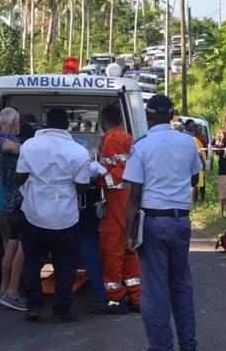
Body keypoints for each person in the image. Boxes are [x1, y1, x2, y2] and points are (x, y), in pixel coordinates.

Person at [123, 94, 202, 351]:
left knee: (155, 290)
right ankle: (188, 345)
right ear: (172, 115)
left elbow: (134, 195)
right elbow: (194, 177)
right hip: (181, 223)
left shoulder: (142, 145)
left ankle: (161, 347)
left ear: (148, 116)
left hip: (154, 223)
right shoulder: (188, 142)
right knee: (181, 284)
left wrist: (128, 235)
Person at [16, 108, 90, 323]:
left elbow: (20, 178)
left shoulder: (29, 145)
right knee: (65, 266)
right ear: (67, 125)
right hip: (65, 218)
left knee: (32, 263)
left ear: (45, 123)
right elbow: (83, 187)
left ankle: (34, 307)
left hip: (34, 214)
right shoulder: (78, 151)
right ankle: (61, 310)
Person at [90, 104, 140, 314]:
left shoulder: (112, 139)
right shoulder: (126, 137)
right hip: (125, 201)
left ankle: (115, 299)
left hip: (116, 202)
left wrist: (98, 178)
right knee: (128, 249)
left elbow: (119, 171)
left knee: (112, 250)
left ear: (103, 119)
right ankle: (136, 296)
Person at [0, 107, 27, 311]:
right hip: (20, 202)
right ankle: (13, 291)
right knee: (23, 248)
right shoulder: (4, 141)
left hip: (8, 201)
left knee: (12, 246)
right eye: (18, 122)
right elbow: (10, 148)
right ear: (13, 123)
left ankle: (4, 291)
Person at [186, 119, 207, 203]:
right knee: (192, 184)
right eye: (191, 127)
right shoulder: (188, 138)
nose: (194, 129)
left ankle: (197, 199)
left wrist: (202, 163)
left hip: (197, 163)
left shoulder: (201, 138)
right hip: (189, 164)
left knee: (196, 182)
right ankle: (192, 200)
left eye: (194, 127)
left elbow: (203, 151)